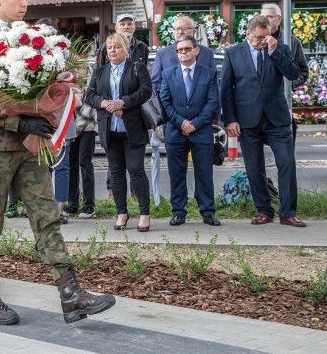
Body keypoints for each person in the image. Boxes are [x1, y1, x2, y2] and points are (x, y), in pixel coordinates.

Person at [0, 0, 115, 325]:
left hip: (29, 148)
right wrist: (20, 120)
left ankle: (70, 294)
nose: (23, 3)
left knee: (47, 218)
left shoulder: (32, 39)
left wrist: (47, 110)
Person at [221, 15, 305, 227]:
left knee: (286, 163)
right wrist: (230, 119)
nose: (263, 41)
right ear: (248, 34)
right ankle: (264, 210)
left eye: (267, 36)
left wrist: (274, 51)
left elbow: (294, 73)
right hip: (247, 119)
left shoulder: (280, 49)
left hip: (276, 118)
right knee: (254, 167)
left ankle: (287, 213)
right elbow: (226, 89)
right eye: (259, 37)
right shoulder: (233, 53)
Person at [86, 32, 153, 232]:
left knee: (136, 170)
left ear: (126, 49)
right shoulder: (100, 71)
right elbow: (89, 95)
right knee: (115, 173)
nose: (112, 51)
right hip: (110, 129)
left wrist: (124, 102)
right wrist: (104, 103)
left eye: (117, 47)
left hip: (132, 128)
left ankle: (144, 213)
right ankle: (122, 212)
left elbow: (146, 90)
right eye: (109, 47)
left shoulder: (137, 67)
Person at [159, 35, 221, 227]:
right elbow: (164, 102)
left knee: (204, 173)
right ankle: (178, 211)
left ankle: (208, 211)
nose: (184, 52)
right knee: (176, 173)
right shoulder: (168, 74)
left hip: (201, 131)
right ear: (176, 53)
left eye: (187, 49)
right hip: (176, 132)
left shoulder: (209, 74)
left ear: (196, 50)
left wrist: (194, 123)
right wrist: (181, 123)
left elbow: (212, 102)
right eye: (180, 50)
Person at [260, 3, 309, 141]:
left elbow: (303, 72)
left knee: (287, 136)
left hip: (280, 102)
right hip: (257, 102)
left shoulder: (292, 41)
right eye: (263, 16)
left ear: (279, 19)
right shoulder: (254, 40)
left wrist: (288, 85)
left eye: (269, 16)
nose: (265, 19)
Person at [150, 14, 215, 93]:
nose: (180, 32)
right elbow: (156, 85)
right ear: (173, 31)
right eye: (177, 29)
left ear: (193, 31)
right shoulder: (162, 54)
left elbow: (213, 84)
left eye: (184, 28)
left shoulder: (207, 53)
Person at [67, 64, 97, 219]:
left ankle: (89, 205)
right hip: (70, 129)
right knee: (71, 166)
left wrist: (76, 128)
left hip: (87, 129)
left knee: (84, 163)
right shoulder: (64, 79)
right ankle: (72, 203)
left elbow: (90, 105)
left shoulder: (90, 78)